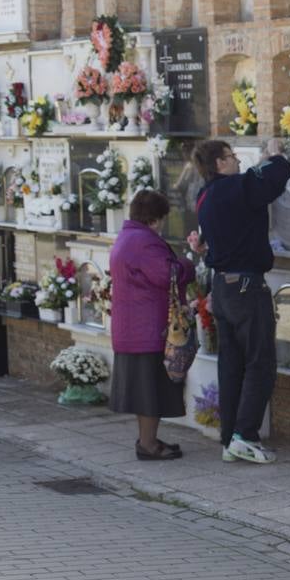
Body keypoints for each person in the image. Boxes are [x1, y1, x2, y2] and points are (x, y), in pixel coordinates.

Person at [191, 139, 290, 464]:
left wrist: (260, 162)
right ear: (220, 163)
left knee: (231, 365)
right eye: (232, 157)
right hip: (247, 289)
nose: (236, 161)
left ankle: (229, 439)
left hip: (222, 288)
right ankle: (246, 436)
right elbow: (277, 176)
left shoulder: (205, 194)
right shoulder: (234, 188)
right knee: (260, 363)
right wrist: (275, 155)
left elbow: (253, 183)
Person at [108, 190, 195, 461]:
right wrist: (187, 264)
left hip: (134, 328)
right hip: (147, 330)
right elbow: (167, 275)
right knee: (150, 391)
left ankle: (148, 439)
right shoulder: (144, 242)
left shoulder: (127, 236)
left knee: (147, 390)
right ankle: (147, 445)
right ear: (155, 219)